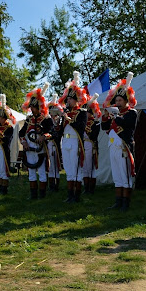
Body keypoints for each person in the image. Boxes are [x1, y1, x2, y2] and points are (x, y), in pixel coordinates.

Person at [102, 72, 138, 211]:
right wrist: (105, 117)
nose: (117, 103)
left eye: (120, 101)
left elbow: (127, 125)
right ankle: (118, 201)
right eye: (116, 101)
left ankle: (125, 203)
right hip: (113, 147)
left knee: (125, 176)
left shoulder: (131, 113)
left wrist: (114, 115)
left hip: (124, 147)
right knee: (117, 176)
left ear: (126, 101)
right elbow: (104, 127)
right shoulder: (114, 114)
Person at [59, 71, 88, 203]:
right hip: (65, 141)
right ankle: (69, 195)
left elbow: (81, 127)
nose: (68, 101)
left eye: (70, 99)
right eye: (68, 99)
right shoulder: (66, 112)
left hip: (75, 141)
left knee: (76, 170)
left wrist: (68, 119)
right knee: (69, 170)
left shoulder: (82, 112)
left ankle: (76, 195)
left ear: (76, 99)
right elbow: (60, 130)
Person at [20, 83, 53, 199]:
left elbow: (52, 132)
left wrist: (43, 136)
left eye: (33, 107)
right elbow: (21, 133)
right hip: (29, 149)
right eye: (31, 107)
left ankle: (42, 196)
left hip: (40, 149)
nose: (32, 110)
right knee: (31, 172)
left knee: (42, 172)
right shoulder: (28, 119)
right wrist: (23, 142)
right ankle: (33, 195)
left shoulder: (46, 119)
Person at [0, 94, 15, 195]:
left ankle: (4, 190)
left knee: (4, 168)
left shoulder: (9, 128)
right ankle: (0, 188)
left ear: (5, 118)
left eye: (1, 118)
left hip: (4, 149)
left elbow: (6, 140)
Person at [82, 93, 101, 195]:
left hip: (91, 145)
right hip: (83, 145)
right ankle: (86, 188)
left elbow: (94, 135)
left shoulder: (96, 122)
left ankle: (91, 188)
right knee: (85, 167)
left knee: (91, 167)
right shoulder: (82, 122)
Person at [47, 94, 64, 193]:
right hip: (48, 145)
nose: (53, 117)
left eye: (55, 114)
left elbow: (58, 134)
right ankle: (51, 185)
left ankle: (56, 185)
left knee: (55, 166)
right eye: (51, 114)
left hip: (55, 146)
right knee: (49, 167)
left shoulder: (59, 124)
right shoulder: (48, 122)